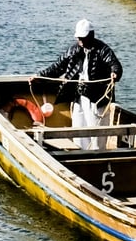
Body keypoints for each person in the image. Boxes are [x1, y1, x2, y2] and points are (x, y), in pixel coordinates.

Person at [37, 18, 123, 148]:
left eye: (83, 38)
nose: (80, 41)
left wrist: (115, 73)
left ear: (91, 35)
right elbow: (57, 67)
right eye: (78, 38)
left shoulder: (103, 50)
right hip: (79, 97)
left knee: (97, 138)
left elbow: (115, 65)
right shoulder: (74, 50)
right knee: (79, 133)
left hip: (97, 100)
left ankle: (97, 159)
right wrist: (39, 77)